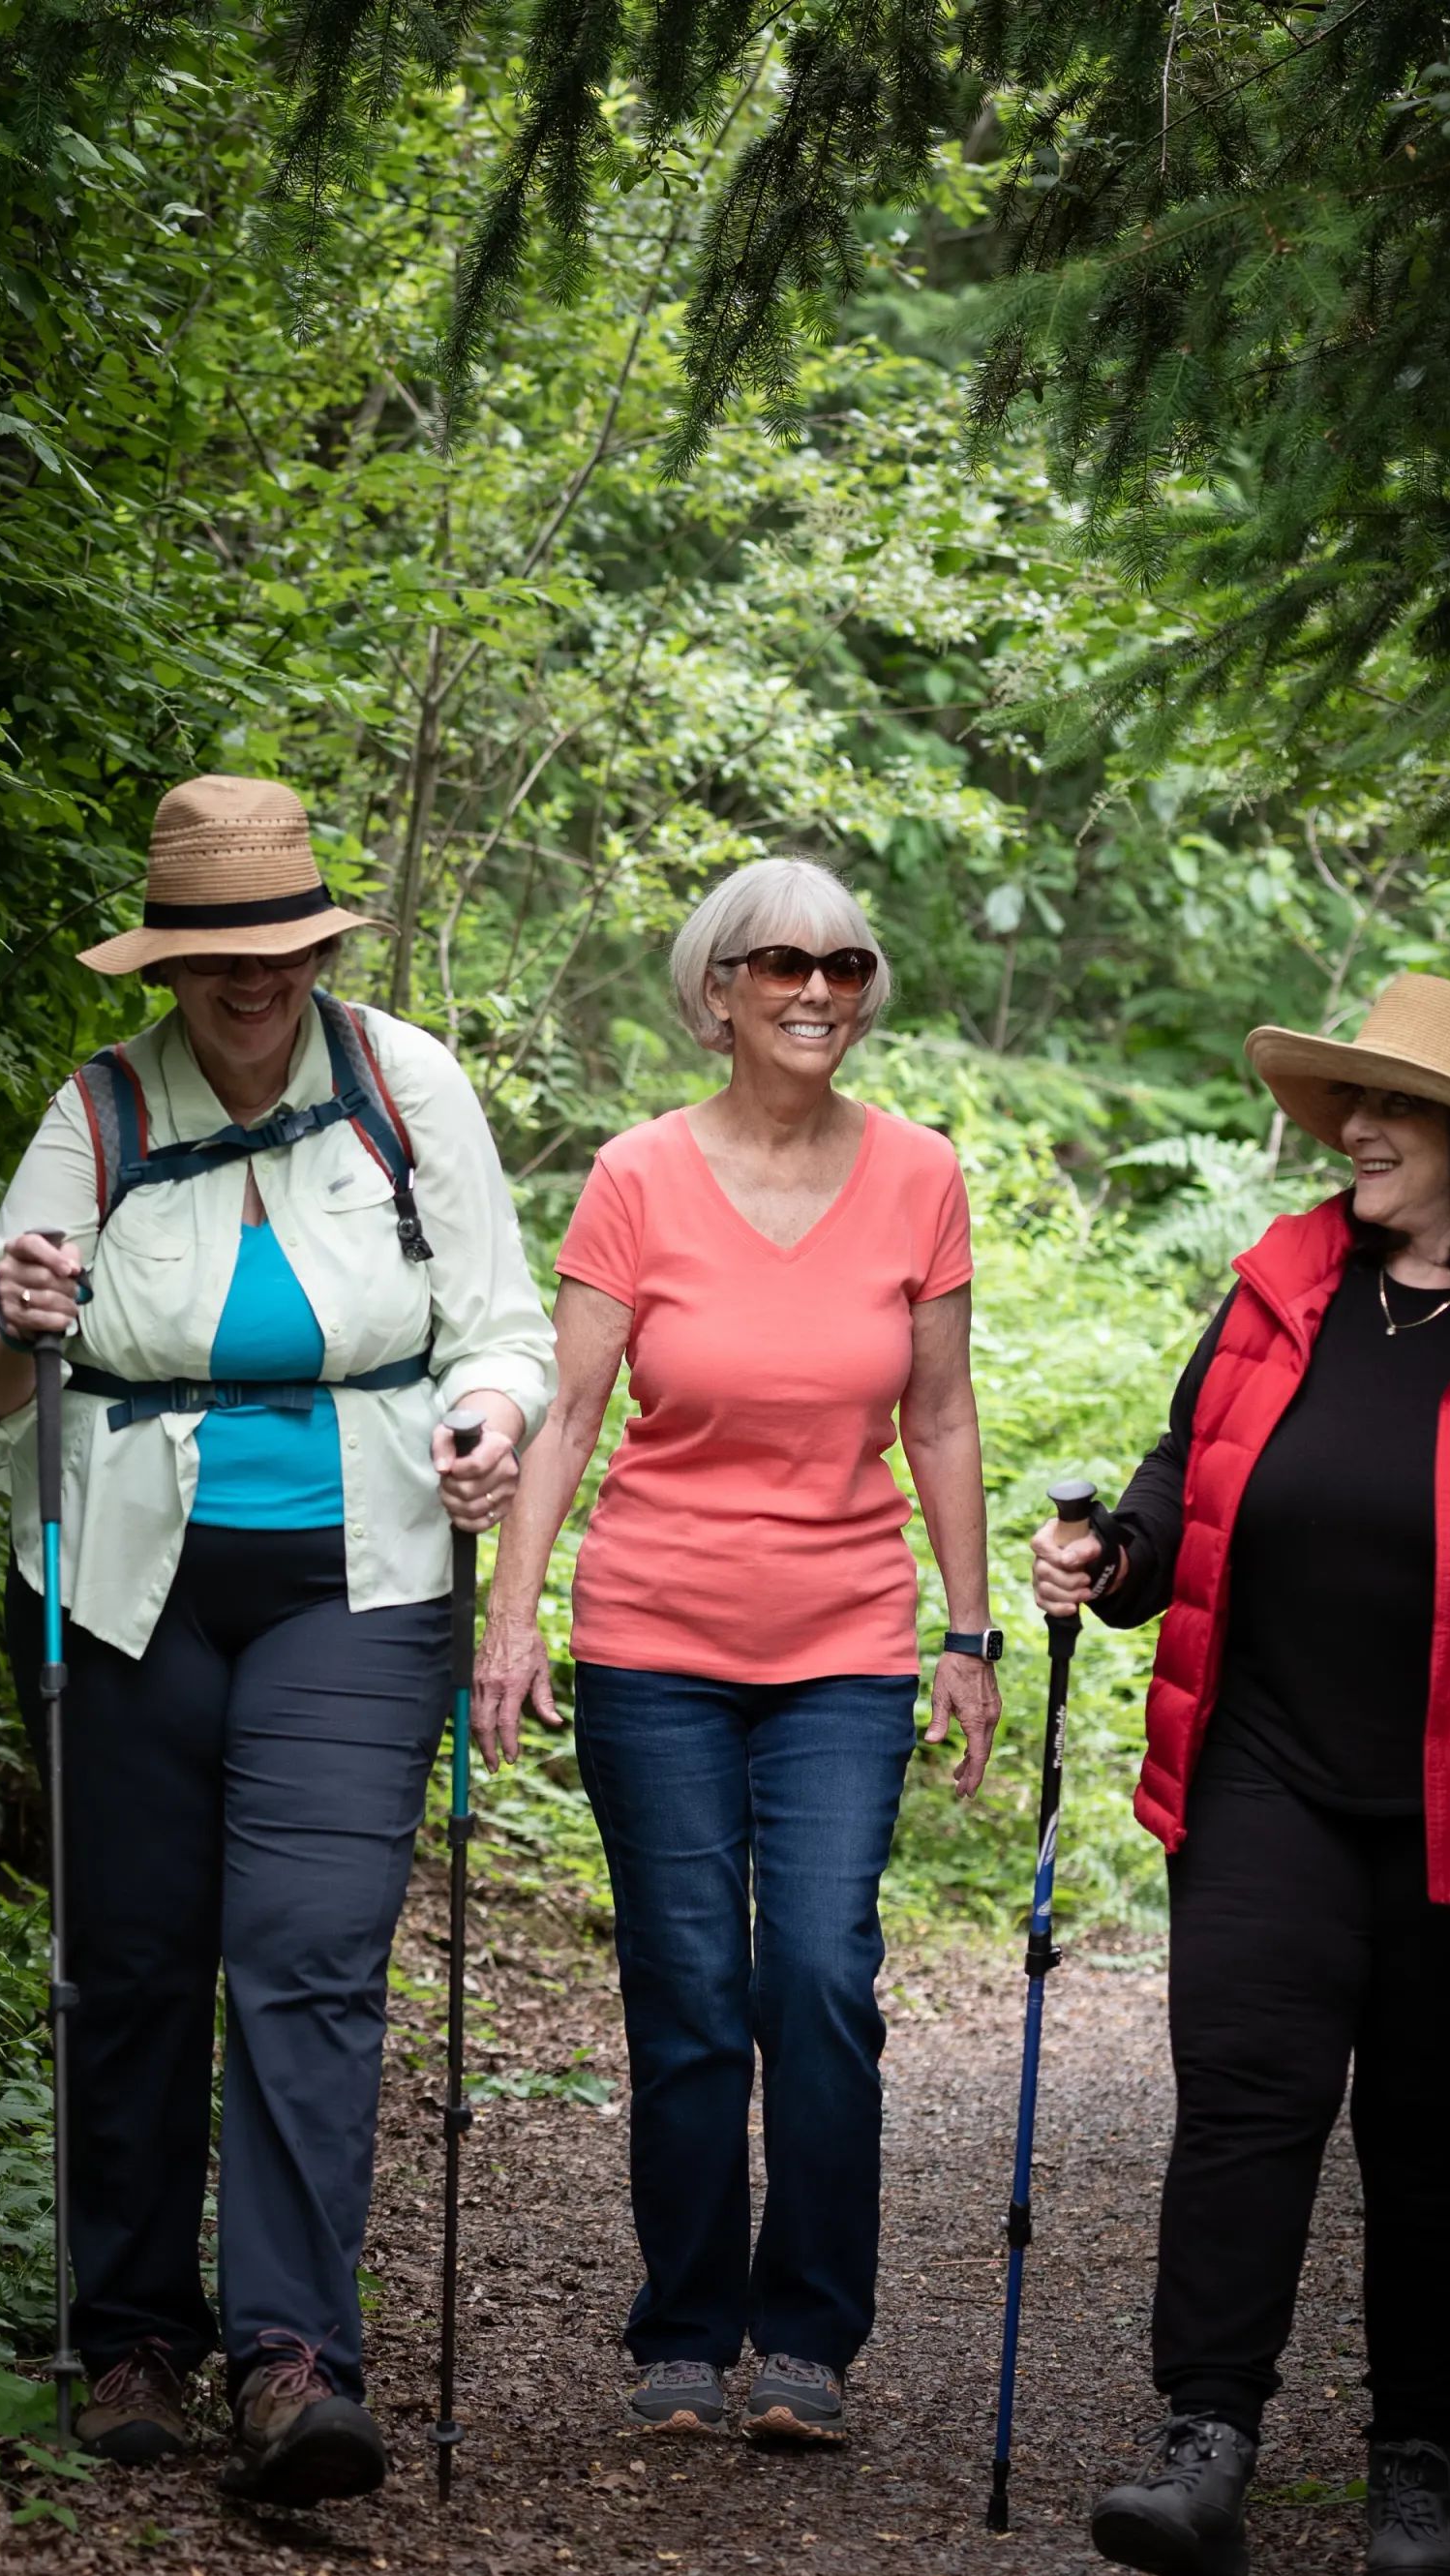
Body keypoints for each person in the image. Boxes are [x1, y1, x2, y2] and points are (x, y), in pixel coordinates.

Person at [1030, 973, 1450, 2576]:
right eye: (1354, 1100)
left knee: (1436, 2136)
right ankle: (1205, 2446)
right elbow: (1180, 1480)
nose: (1356, 1129)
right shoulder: (1284, 1282)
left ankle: (1415, 2441)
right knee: (1246, 2109)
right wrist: (1111, 1557)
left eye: (1395, 1108)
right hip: (1265, 1772)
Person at [0, 773, 555, 2506]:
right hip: (119, 1574)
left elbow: (504, 1329)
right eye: (215, 953)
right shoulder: (104, 1108)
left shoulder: (405, 1088)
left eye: (277, 945)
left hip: (361, 1572)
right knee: (129, 1956)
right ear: (169, 965)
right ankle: (129, 2321)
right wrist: (15, 1326)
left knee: (305, 1948)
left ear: (319, 942)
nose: (250, 979)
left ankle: (293, 2357)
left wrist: (491, 1418)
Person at [472, 856, 998, 2452]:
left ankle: (811, 2336)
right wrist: (513, 1612)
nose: (818, 991)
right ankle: (689, 2329)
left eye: (845, 965)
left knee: (822, 1975)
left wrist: (969, 1632)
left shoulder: (921, 1175)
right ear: (719, 993)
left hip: (846, 1640)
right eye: (782, 966)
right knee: (691, 1986)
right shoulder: (638, 1174)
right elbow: (566, 1412)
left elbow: (942, 1417)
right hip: (655, 1637)